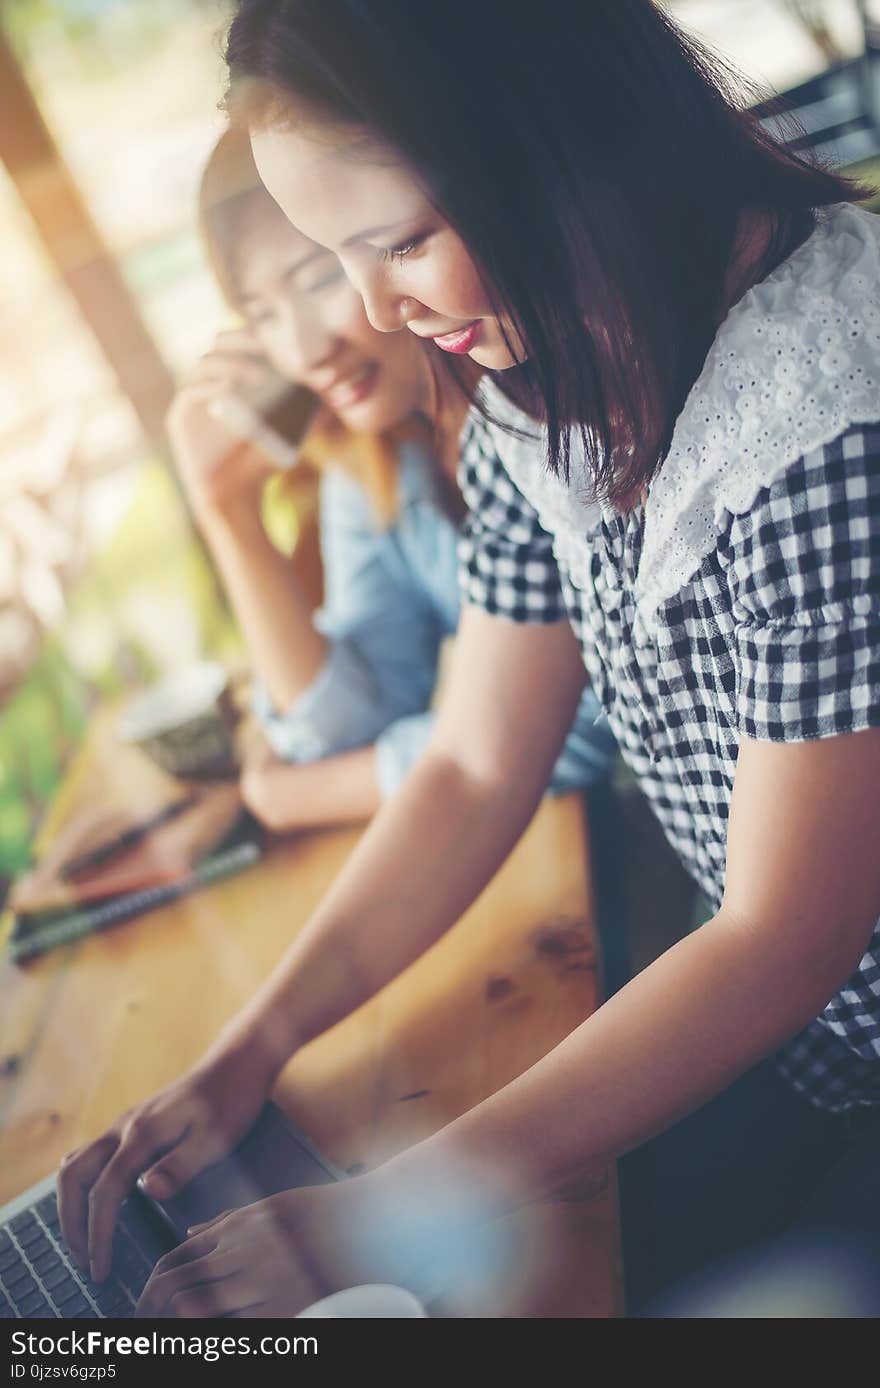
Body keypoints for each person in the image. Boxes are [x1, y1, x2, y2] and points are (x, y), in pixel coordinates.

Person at [59, 0, 880, 1317]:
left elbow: (789, 934)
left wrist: (395, 1208)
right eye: (344, 254)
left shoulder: (830, 411)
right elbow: (476, 756)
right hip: (797, 1046)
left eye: (401, 242)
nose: (377, 309)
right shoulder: (538, 377)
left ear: (558, 143)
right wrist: (251, 1048)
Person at [170, 130, 615, 832]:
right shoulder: (375, 463)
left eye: (318, 280)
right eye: (261, 316)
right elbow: (352, 719)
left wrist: (305, 795)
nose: (305, 350)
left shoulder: (545, 418)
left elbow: (578, 729)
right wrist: (227, 512)